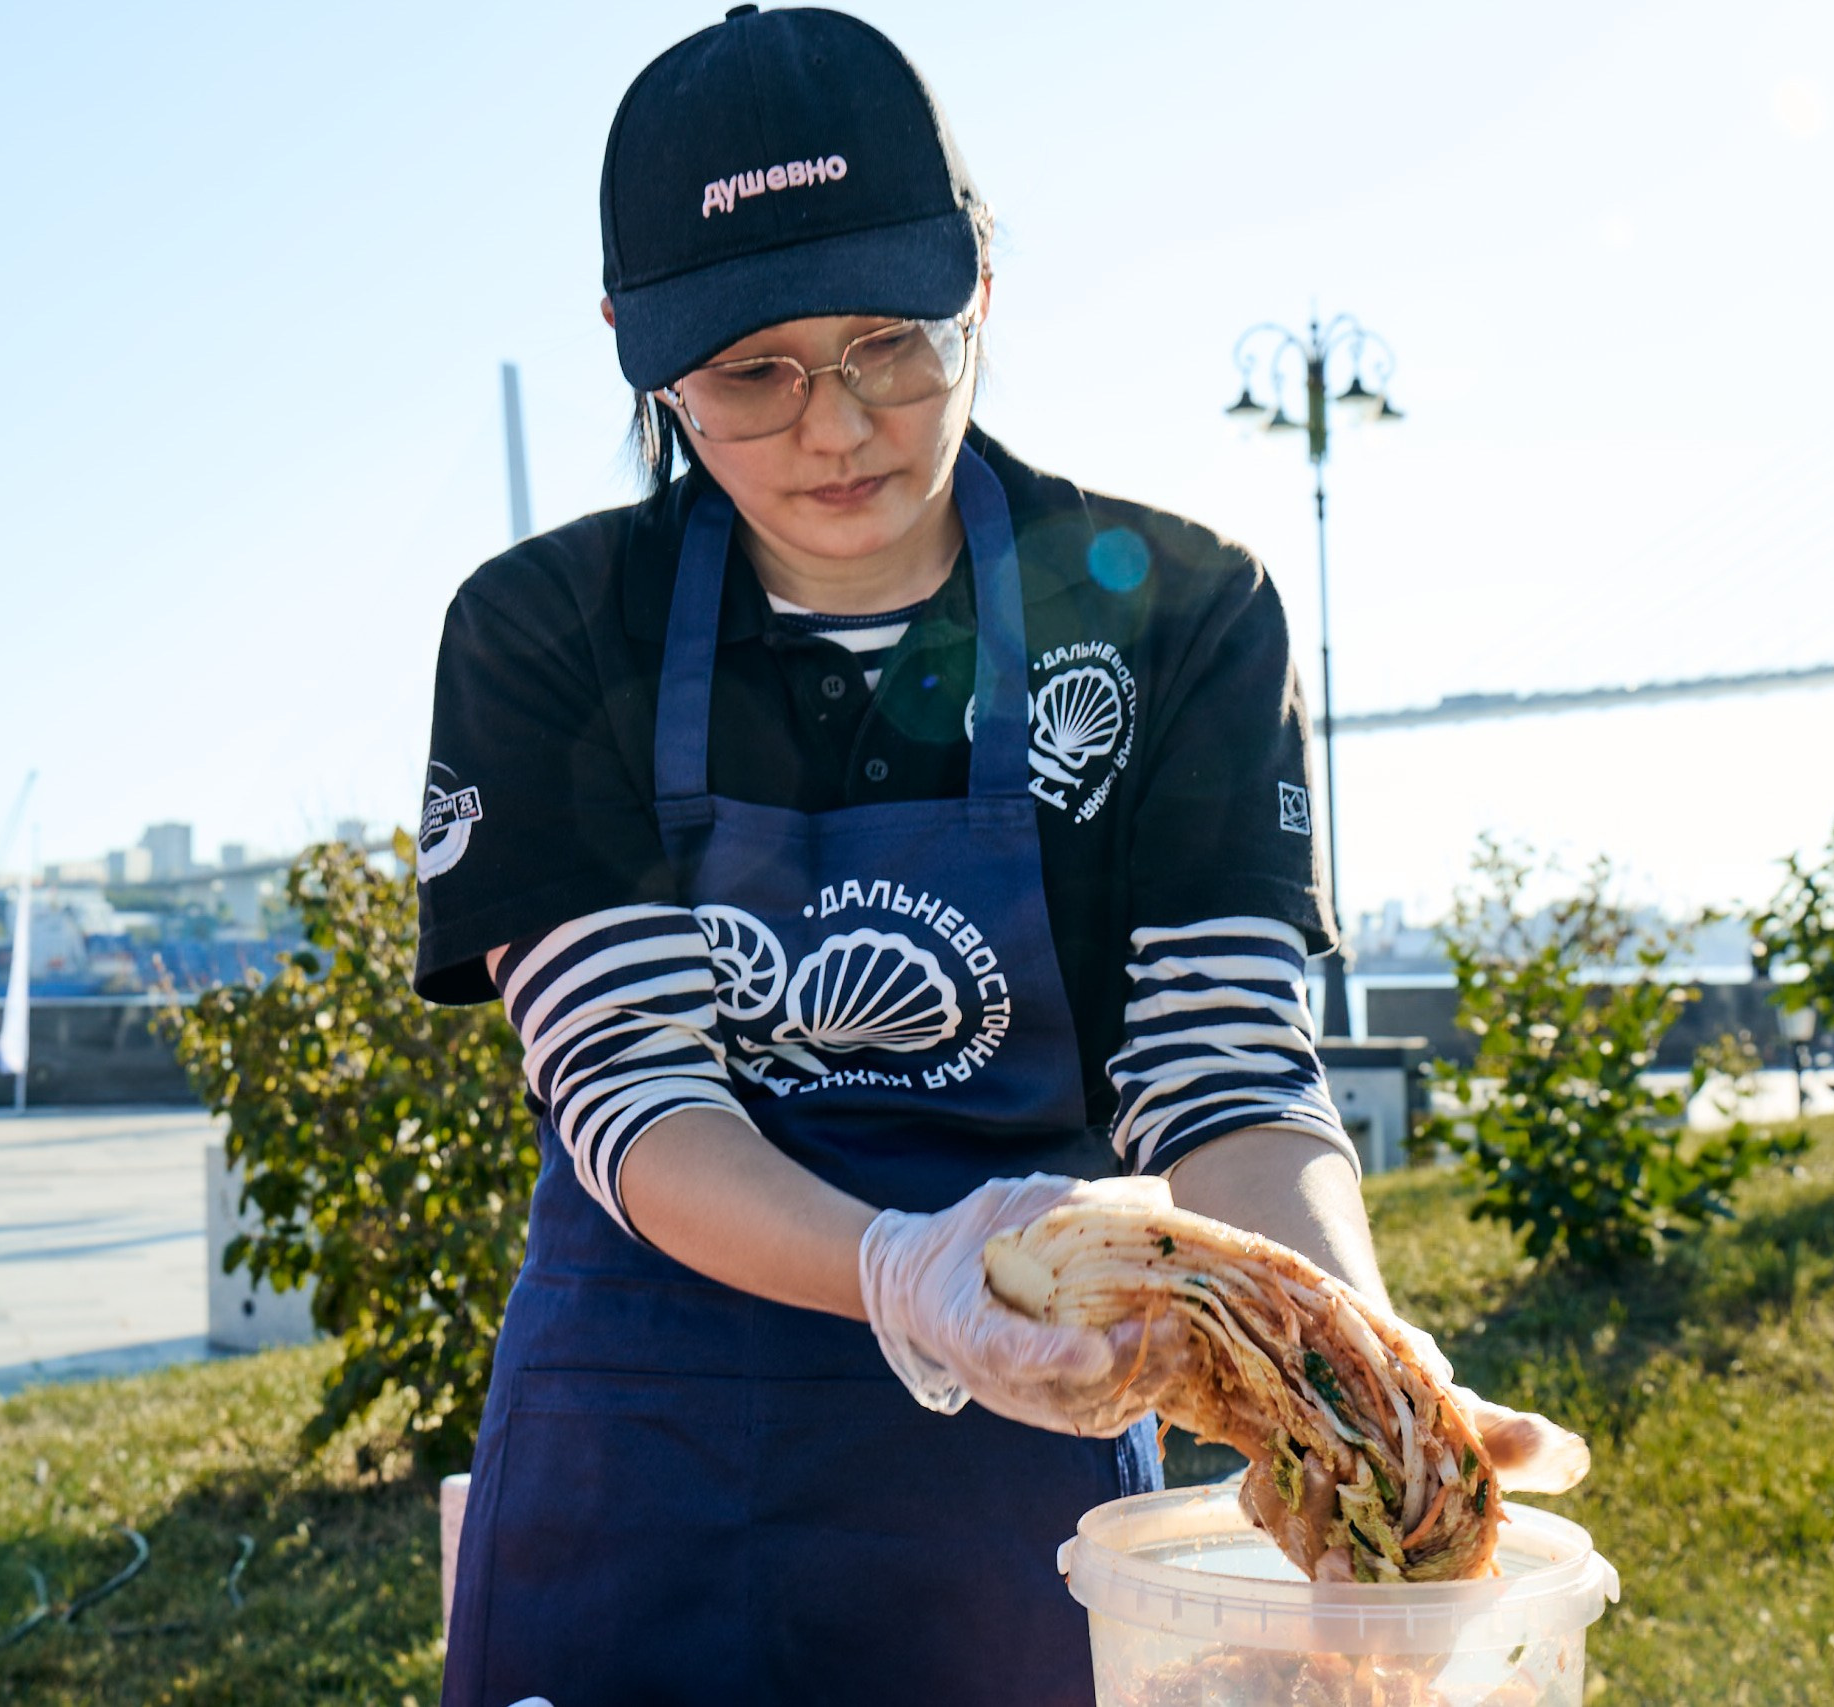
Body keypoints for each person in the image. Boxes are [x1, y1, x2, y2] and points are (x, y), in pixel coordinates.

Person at [409, 14, 1575, 1703]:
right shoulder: (545, 631)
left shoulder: (1179, 613)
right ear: (637, 354)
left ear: (983, 285)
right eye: (753, 370)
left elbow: (1221, 1068)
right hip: (640, 1436)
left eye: (893, 337)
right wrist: (899, 1268)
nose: (838, 425)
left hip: (1031, 1428)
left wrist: (1354, 1367)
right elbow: (632, 1086)